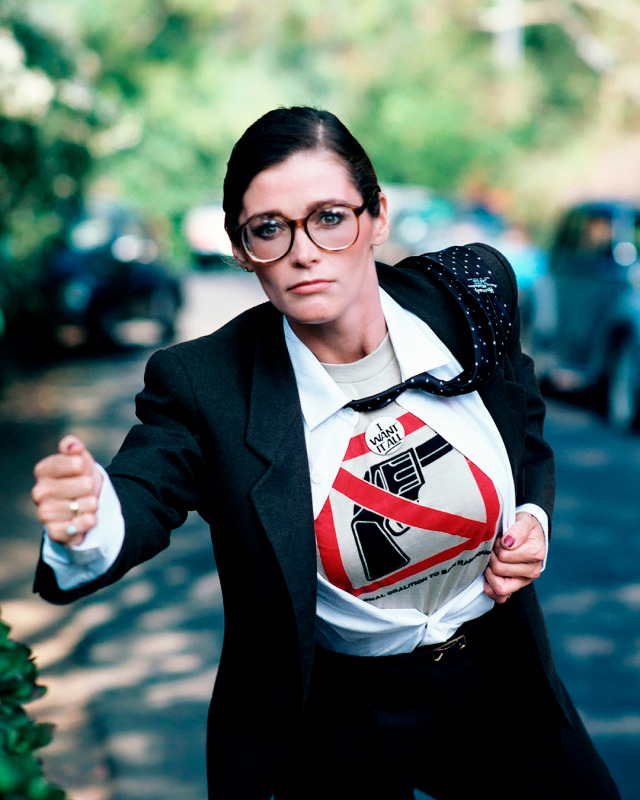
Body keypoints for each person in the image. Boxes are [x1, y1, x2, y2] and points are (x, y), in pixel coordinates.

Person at [32, 106, 620, 800]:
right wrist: (89, 520)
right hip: (339, 715)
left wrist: (531, 518)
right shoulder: (207, 384)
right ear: (241, 248)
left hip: (503, 679)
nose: (303, 250)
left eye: (330, 217)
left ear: (376, 217)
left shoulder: (468, 295)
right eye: (269, 229)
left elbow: (520, 416)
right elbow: (143, 491)